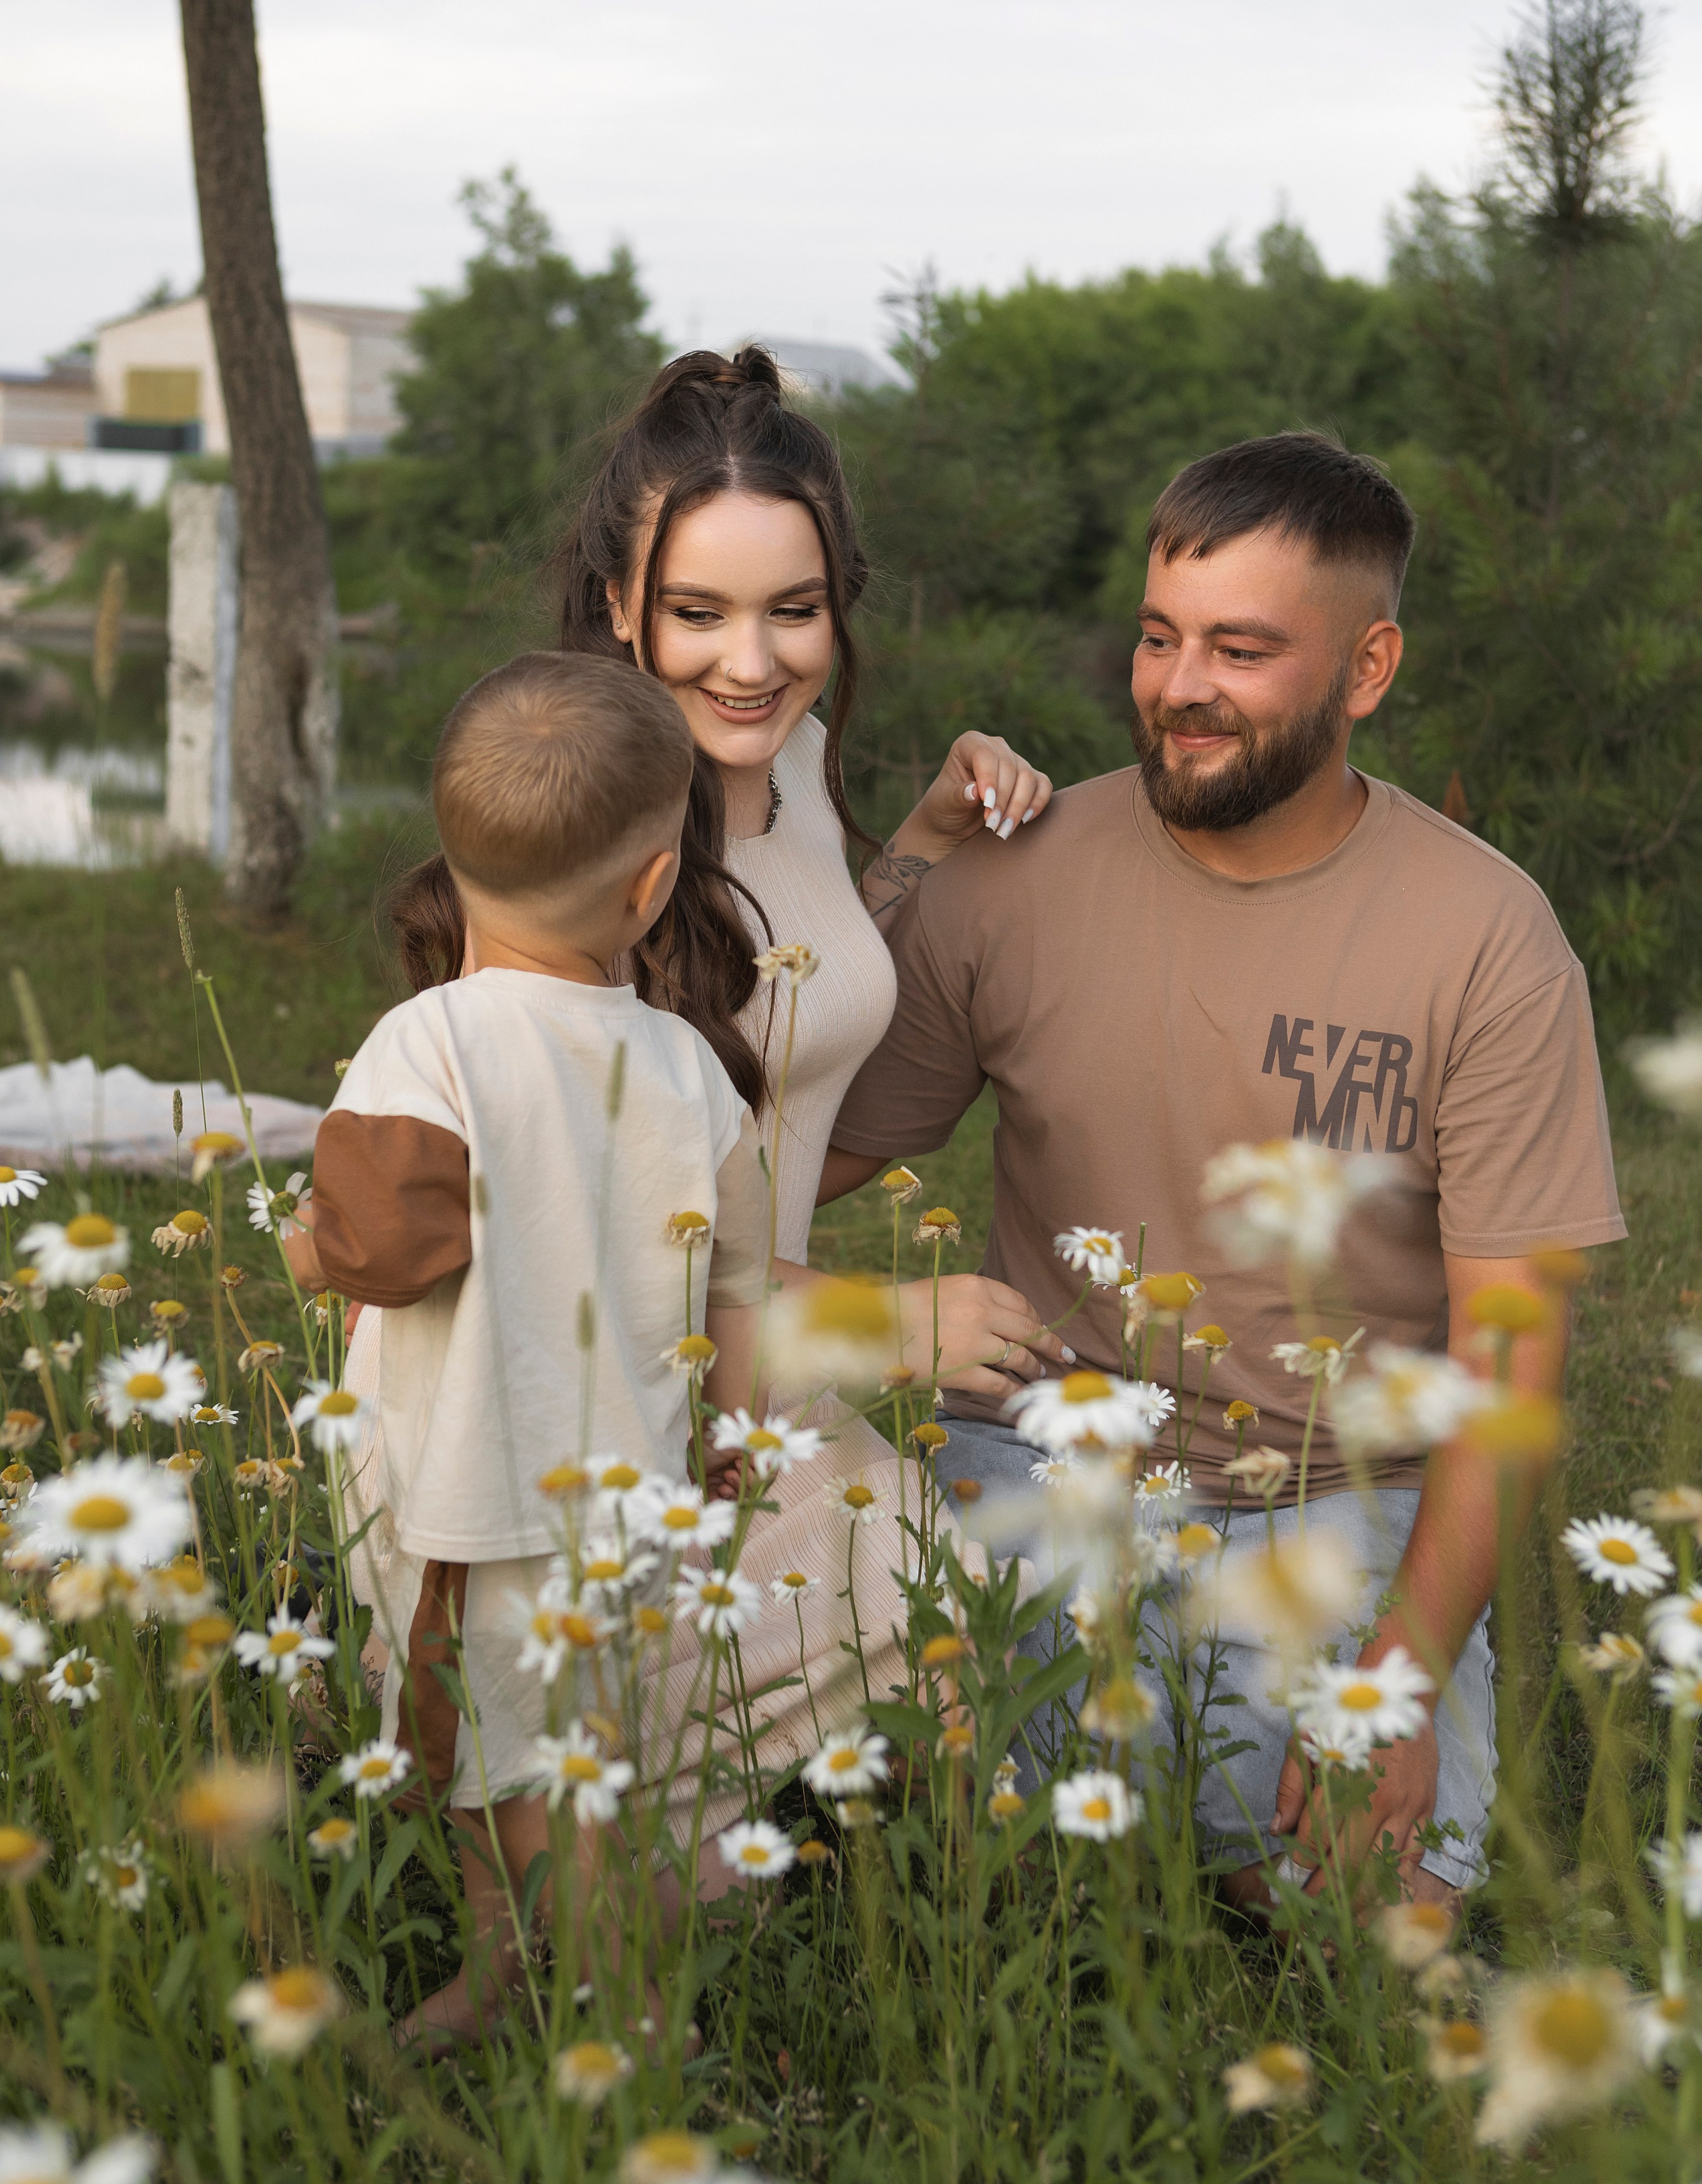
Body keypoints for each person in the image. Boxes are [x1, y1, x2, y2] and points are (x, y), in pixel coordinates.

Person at [823, 430, 1626, 1910]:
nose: (1178, 687)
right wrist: (904, 870)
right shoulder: (1019, 866)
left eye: (1241, 651)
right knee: (886, 1831)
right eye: (1156, 637)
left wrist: (1392, 1682)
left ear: (1365, 668)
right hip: (1033, 1463)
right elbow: (798, 1159)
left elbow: (1513, 1378)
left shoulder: (1486, 939)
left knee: (1380, 1923)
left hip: (1328, 1498)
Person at [300, 652, 931, 2043]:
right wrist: (725, 1449)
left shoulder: (427, 1043)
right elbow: (736, 1292)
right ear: (653, 888)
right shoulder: (687, 1067)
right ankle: (505, 1973)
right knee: (522, 1763)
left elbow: (375, 1250)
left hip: (472, 1508)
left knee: (519, 1783)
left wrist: (306, 1245)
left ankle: (641, 2028)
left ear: (450, 861)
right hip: (622, 1500)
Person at [390, 344, 1068, 1394]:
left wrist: (928, 840)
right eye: (698, 613)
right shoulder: (585, 847)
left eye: (793, 611)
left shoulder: (791, 754)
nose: (751, 667)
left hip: (755, 1379)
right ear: (620, 604)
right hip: (605, 1419)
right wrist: (881, 1319)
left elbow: (791, 974)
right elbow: (585, 1235)